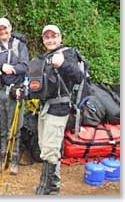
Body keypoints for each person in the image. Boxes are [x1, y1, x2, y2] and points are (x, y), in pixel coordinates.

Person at [34, 25, 82, 195]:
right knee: (45, 147)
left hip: (59, 109)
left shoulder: (67, 54)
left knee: (50, 150)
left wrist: (62, 64)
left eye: (53, 36)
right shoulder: (45, 58)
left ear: (60, 37)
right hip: (45, 108)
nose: (50, 40)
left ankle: (48, 189)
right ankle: (51, 184)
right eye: (47, 37)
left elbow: (78, 76)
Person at [0, 17, 29, 175]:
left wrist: (13, 69)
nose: (3, 31)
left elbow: (25, 65)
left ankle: (15, 158)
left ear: (10, 28)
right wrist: (0, 67)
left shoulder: (20, 46)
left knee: (15, 125)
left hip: (16, 89)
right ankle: (3, 157)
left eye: (5, 28)